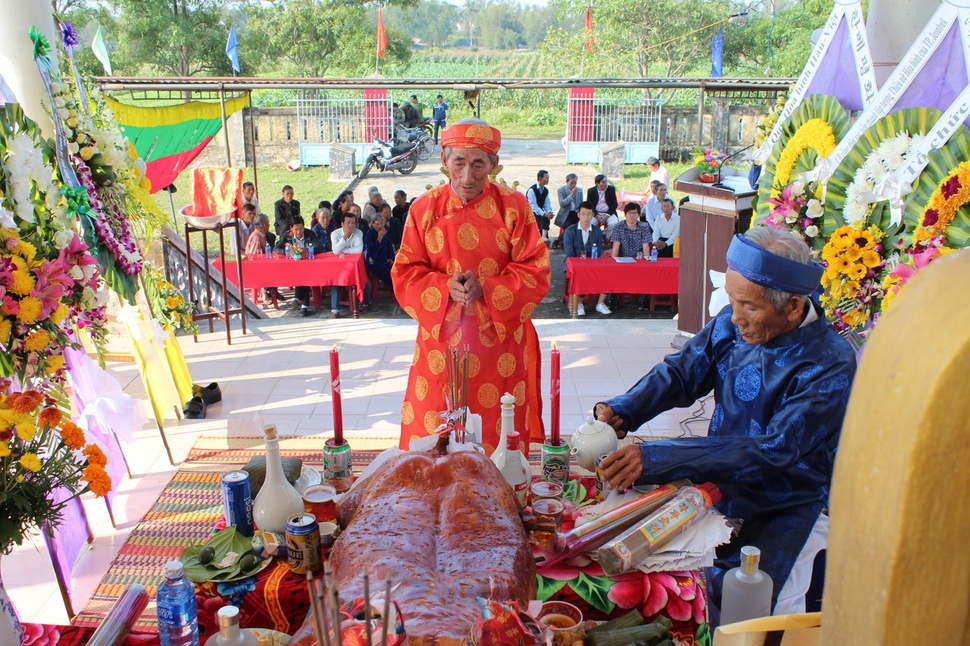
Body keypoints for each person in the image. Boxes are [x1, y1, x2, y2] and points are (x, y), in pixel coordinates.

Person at [595, 227, 856, 620]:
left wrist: (659, 456)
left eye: (750, 306)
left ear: (794, 306)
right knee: (677, 590)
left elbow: (774, 448)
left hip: (787, 503)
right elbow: (683, 373)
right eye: (732, 301)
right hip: (717, 484)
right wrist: (624, 410)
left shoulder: (830, 363)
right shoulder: (731, 323)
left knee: (752, 615)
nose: (735, 318)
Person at [391, 118, 551, 453]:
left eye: (478, 164)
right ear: (444, 161)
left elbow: (536, 270)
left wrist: (487, 288)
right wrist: (443, 287)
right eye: (459, 163)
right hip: (441, 346)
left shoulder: (515, 208)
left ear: (494, 165)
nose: (467, 176)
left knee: (497, 438)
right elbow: (405, 272)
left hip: (499, 345)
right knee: (435, 437)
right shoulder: (422, 210)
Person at [563, 202, 609, 316]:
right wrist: (581, 264)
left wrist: (589, 263)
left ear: (593, 215)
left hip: (592, 262)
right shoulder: (570, 231)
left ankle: (600, 303)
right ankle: (579, 303)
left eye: (589, 214)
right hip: (573, 263)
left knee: (608, 273)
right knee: (580, 273)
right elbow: (569, 254)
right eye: (583, 214)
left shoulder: (597, 231)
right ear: (578, 214)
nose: (586, 217)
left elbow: (597, 252)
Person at [275, 215, 325, 316]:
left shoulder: (310, 234)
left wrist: (306, 251)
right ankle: (303, 305)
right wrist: (288, 251)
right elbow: (276, 248)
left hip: (309, 266)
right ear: (291, 228)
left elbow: (318, 247)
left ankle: (299, 300)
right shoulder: (286, 236)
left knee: (304, 274)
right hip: (291, 267)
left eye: (301, 228)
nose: (299, 232)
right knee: (301, 275)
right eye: (296, 229)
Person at [330, 211, 364, 318]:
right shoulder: (335, 234)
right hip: (338, 266)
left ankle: (362, 303)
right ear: (342, 224)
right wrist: (345, 237)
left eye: (353, 223)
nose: (351, 225)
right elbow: (335, 250)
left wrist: (344, 250)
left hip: (353, 265)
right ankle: (335, 309)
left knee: (362, 280)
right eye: (348, 223)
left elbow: (359, 250)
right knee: (336, 281)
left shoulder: (359, 233)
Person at [364, 212, 395, 300]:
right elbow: (372, 250)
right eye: (377, 224)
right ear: (372, 224)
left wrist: (391, 257)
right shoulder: (370, 233)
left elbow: (389, 245)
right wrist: (379, 238)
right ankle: (394, 290)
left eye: (381, 223)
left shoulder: (386, 231)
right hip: (374, 261)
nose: (380, 226)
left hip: (385, 259)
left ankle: (395, 289)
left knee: (397, 271)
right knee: (387, 274)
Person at [586, 174, 618, 242]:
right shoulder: (591, 191)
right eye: (603, 182)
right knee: (589, 224)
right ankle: (594, 239)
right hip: (595, 213)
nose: (606, 183)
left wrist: (606, 215)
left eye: (606, 181)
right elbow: (589, 205)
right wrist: (596, 215)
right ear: (597, 183)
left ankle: (604, 234)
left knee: (614, 224)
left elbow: (614, 204)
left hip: (609, 213)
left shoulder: (611, 189)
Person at [554, 173, 583, 248]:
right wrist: (571, 195)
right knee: (568, 228)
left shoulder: (579, 190)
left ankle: (560, 240)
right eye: (571, 183)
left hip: (576, 213)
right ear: (567, 182)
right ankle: (561, 240)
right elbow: (562, 204)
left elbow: (581, 203)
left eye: (575, 183)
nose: (573, 185)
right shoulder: (561, 190)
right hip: (566, 214)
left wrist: (579, 209)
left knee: (581, 226)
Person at [526, 169, 554, 244]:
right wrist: (544, 213)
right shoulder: (532, 190)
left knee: (546, 216)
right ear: (540, 178)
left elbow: (547, 204)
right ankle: (541, 237)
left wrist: (549, 212)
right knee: (542, 217)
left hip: (539, 211)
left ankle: (544, 236)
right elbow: (533, 206)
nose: (548, 180)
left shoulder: (545, 190)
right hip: (531, 211)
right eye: (546, 178)